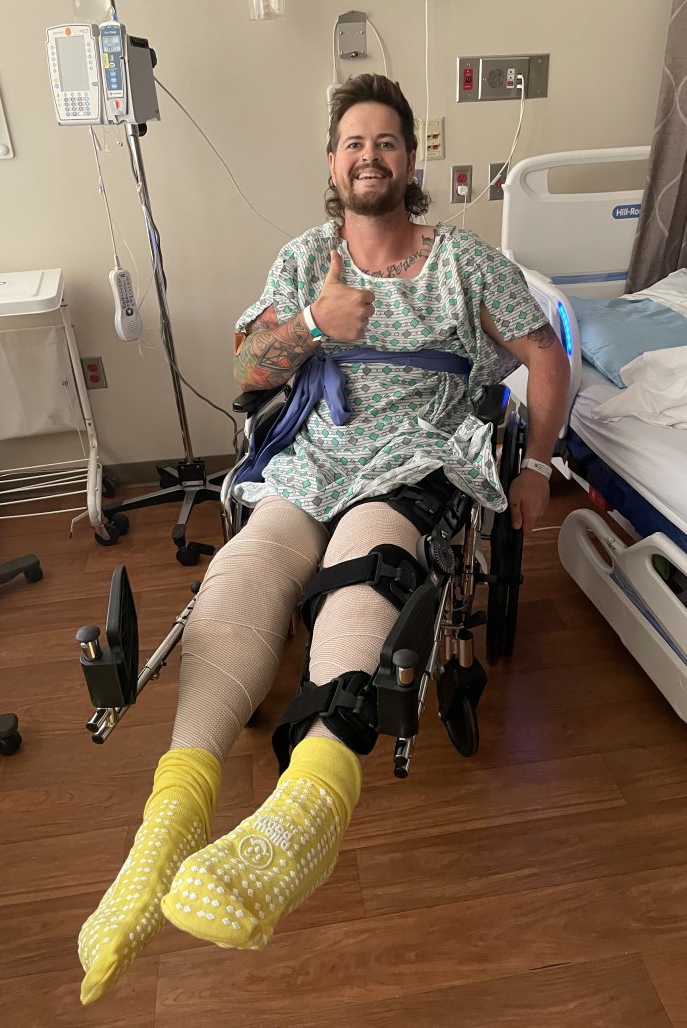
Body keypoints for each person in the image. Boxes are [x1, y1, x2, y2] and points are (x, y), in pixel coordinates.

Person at [77, 73, 569, 1005]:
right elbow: (246, 365)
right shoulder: (306, 258)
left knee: (366, 562)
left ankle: (309, 804)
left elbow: (545, 354)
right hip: (315, 446)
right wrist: (313, 323)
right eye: (353, 143)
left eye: (385, 142)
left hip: (415, 449)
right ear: (332, 164)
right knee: (245, 567)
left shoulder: (466, 261)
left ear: (409, 161)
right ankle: (166, 826)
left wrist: (536, 466)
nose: (368, 156)